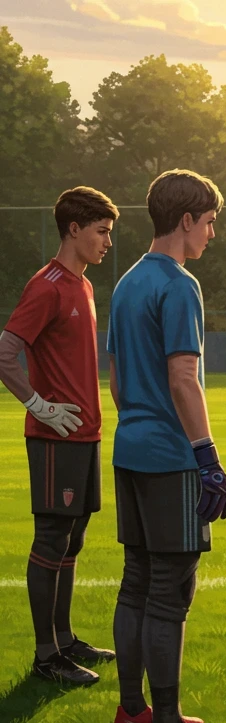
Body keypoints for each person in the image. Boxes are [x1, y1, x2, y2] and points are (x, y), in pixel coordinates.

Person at [107, 169, 226, 723]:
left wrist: (141, 423)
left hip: (130, 450)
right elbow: (184, 377)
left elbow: (116, 380)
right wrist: (207, 457)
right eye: (209, 222)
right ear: (186, 220)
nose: (211, 233)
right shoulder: (179, 285)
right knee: (169, 592)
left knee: (135, 582)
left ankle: (132, 712)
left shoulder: (126, 282)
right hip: (170, 459)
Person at [0, 186, 118, 686]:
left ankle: (66, 640)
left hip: (85, 436)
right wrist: (39, 406)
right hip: (55, 439)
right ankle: (46, 657)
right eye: (101, 231)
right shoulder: (46, 285)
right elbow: (5, 352)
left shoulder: (83, 285)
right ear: (74, 228)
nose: (108, 241)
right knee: (51, 537)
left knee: (73, 537)